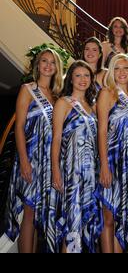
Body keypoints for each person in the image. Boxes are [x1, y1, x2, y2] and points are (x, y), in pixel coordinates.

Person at [5, 49, 64, 253]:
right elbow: (19, 126)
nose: (48, 66)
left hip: (50, 161)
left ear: (57, 68)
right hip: (31, 157)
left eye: (52, 63)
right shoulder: (27, 89)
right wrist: (23, 160)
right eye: (44, 62)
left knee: (41, 213)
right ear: (38, 65)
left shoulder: (57, 96)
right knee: (29, 212)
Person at [51, 61, 102, 253]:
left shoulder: (91, 107)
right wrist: (55, 170)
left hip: (90, 174)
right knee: (71, 222)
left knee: (83, 223)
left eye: (86, 76)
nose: (83, 79)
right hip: (71, 171)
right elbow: (56, 139)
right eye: (78, 75)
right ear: (71, 79)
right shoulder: (63, 103)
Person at [96, 54, 128, 253]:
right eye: (118, 68)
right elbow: (102, 131)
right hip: (112, 161)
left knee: (123, 215)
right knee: (109, 216)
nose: (122, 73)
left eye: (126, 68)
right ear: (112, 71)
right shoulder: (107, 93)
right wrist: (104, 165)